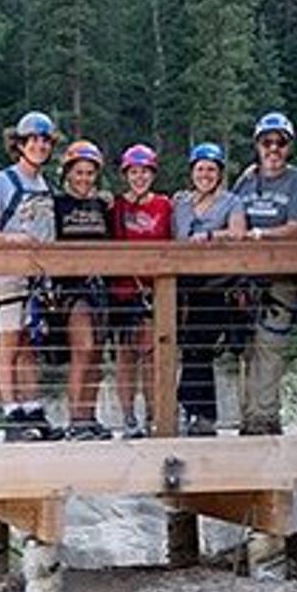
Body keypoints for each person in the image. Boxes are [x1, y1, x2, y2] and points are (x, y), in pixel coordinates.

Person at [0, 110, 62, 441]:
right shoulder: (1, 182)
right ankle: (11, 414)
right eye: (33, 140)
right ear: (20, 144)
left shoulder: (45, 186)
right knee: (9, 343)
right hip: (10, 273)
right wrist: (15, 240)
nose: (39, 146)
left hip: (38, 278)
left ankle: (33, 409)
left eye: (44, 140)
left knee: (29, 345)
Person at [232, 111, 297, 435]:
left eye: (280, 143)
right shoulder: (247, 179)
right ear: (257, 145)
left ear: (288, 147)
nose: (273, 148)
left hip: (281, 276)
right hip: (244, 277)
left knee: (271, 343)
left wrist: (260, 236)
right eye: (267, 142)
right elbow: (233, 215)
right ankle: (249, 417)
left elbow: (296, 228)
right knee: (248, 346)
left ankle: (264, 420)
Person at [173, 142, 246, 436]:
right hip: (181, 286)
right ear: (192, 172)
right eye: (200, 169)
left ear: (219, 174)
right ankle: (193, 411)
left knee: (199, 346)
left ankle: (200, 413)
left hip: (216, 286)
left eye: (211, 170)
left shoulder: (231, 202)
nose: (205, 174)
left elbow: (238, 234)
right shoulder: (180, 203)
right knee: (187, 348)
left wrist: (210, 235)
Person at [108, 143, 172, 438]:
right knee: (125, 355)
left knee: (150, 354)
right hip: (122, 289)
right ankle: (128, 417)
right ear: (126, 174)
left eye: (144, 172)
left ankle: (152, 414)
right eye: (134, 172)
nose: (139, 177)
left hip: (154, 290)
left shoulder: (164, 206)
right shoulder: (116, 207)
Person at [54, 140, 114, 441]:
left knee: (97, 355)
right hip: (70, 288)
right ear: (68, 172)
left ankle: (90, 417)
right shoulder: (56, 204)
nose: (84, 178)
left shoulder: (102, 205)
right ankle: (76, 419)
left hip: (100, 285)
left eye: (90, 173)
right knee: (84, 349)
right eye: (79, 172)